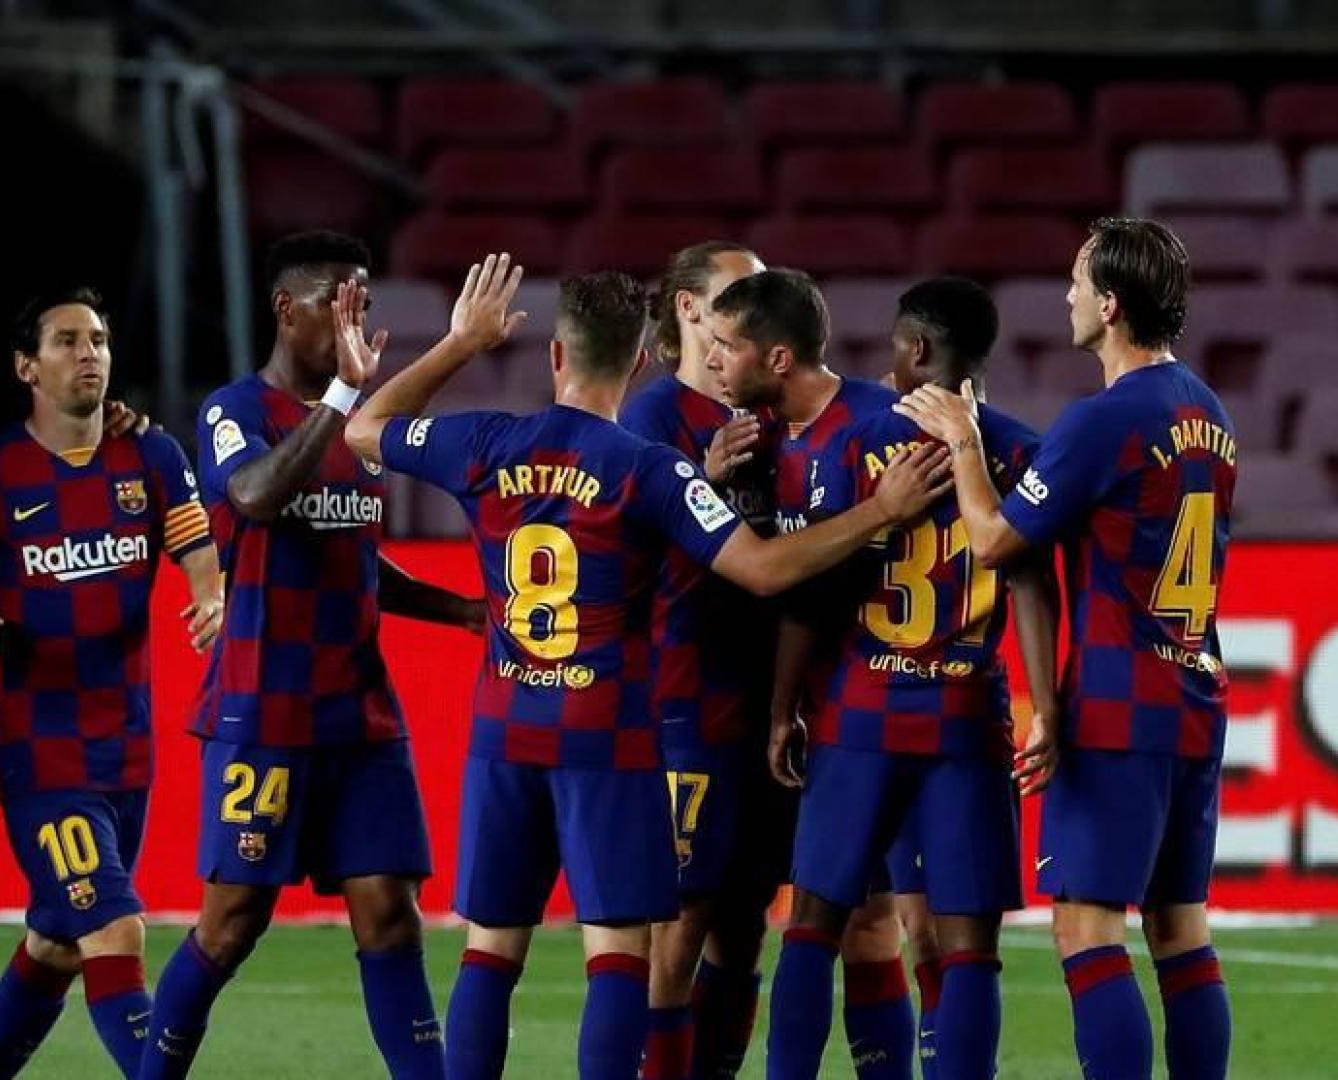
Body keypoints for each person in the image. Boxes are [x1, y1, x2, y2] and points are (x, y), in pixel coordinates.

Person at [342, 256, 951, 1080]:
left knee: (491, 948)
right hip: (610, 736)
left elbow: (365, 428)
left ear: (555, 354)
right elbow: (763, 569)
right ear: (638, 361)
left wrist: (461, 344)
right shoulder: (647, 467)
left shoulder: (483, 440)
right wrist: (880, 510)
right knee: (622, 955)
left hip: (505, 730)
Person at [895, 218, 1236, 1080]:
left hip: (1121, 704)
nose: (1069, 295)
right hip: (1196, 692)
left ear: (1111, 304)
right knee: (1179, 927)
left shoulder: (1106, 418)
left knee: (1088, 928)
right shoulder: (1210, 412)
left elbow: (996, 543)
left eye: (1080, 282)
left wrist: (964, 441)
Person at [140, 231, 482, 1080]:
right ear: (285, 310)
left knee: (391, 914)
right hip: (263, 711)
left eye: (364, 302)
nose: (353, 319)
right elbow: (254, 497)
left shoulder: (357, 426)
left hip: (360, 716)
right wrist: (340, 398)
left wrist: (465, 611)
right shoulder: (234, 411)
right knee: (231, 925)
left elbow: (357, 555)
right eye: (338, 302)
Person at [763, 276, 1064, 1080]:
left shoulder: (852, 443)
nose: (889, 364)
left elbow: (811, 593)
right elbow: (1034, 583)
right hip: (966, 718)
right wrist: (1047, 708)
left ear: (920, 348)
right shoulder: (1022, 450)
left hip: (860, 715)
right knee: (969, 947)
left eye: (898, 347)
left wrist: (783, 709)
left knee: (812, 926)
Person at [0, 289, 225, 1078]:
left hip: (127, 747)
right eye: (68, 341)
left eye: (99, 340)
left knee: (57, 941)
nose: (89, 354)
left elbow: (197, 547)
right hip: (40, 750)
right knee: (114, 929)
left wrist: (210, 594)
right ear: (26, 367)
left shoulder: (151, 456)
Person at [701, 269, 921, 1080]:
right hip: (784, 719)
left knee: (864, 921)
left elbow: (823, 592)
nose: (714, 362)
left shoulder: (873, 428)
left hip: (865, 715)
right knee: (754, 919)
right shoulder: (758, 441)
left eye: (727, 347)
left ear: (778, 357)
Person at [616, 241, 789, 1080]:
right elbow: (621, 555)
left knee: (745, 919)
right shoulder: (650, 420)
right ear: (689, 308)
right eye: (739, 291)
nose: (758, 301)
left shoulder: (770, 409)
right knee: (678, 921)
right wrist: (704, 481)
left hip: (767, 702)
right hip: (682, 699)